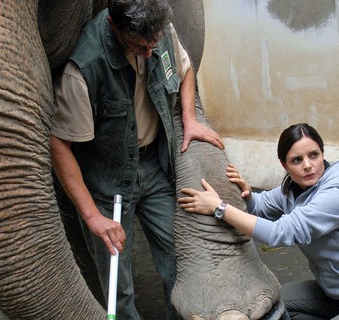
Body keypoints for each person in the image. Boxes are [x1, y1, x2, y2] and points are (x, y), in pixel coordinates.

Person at [49, 1, 224, 319]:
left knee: (178, 258)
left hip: (152, 166)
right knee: (118, 284)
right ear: (116, 28)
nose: (148, 53)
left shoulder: (161, 31)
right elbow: (59, 144)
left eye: (153, 44)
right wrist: (92, 217)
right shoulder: (84, 68)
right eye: (139, 46)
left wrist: (189, 117)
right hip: (108, 180)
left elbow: (184, 72)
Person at [177, 123, 339, 319]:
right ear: (284, 165)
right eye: (297, 160)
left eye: (314, 155)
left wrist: (218, 207)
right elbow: (260, 206)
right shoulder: (293, 189)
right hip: (338, 295)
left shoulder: (338, 193)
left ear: (322, 153)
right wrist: (245, 193)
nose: (308, 165)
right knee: (276, 305)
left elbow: (278, 233)